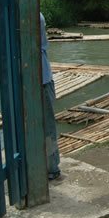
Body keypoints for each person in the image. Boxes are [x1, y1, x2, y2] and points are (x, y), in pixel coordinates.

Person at [41, 13, 61, 180]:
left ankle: (52, 168)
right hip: (30, 80)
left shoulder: (36, 17)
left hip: (41, 79)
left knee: (47, 126)